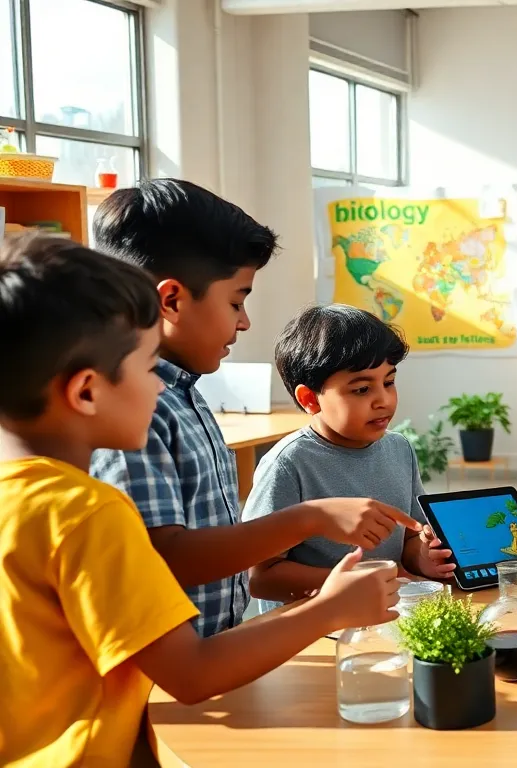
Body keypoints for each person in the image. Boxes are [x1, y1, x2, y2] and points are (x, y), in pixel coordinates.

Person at [0, 235, 401, 767]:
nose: (162, 390)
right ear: (87, 392)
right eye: (147, 369)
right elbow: (190, 673)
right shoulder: (86, 513)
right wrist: (330, 609)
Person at [89, 179, 418, 637]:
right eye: (236, 301)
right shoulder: (137, 410)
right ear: (171, 300)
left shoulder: (186, 395)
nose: (244, 321)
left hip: (218, 651)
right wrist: (313, 518)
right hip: (178, 674)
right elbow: (166, 560)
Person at [243, 305, 456, 611]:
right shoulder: (288, 464)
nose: (383, 400)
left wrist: (424, 558)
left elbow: (409, 538)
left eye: (389, 382)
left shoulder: (399, 449)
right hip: (311, 629)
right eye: (361, 389)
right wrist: (352, 580)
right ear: (309, 399)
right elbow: (261, 578)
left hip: (384, 617)